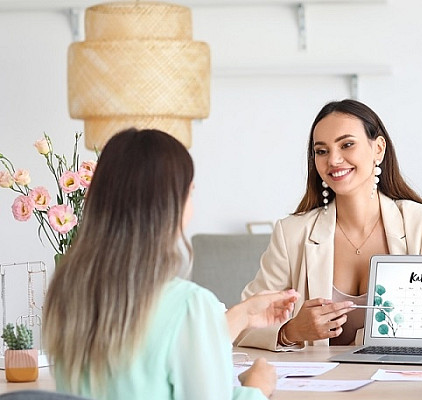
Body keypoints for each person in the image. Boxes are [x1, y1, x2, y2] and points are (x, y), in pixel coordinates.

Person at [43, 129, 299, 400]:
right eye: (190, 193)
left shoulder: (66, 292)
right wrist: (256, 389)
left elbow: (147, 364)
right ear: (170, 205)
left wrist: (243, 316)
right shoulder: (189, 304)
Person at [236, 99, 422, 350]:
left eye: (347, 144)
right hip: (314, 387)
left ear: (378, 149)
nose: (334, 160)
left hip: (398, 382)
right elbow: (242, 323)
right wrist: (291, 331)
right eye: (322, 151)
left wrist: (363, 341)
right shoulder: (292, 233)